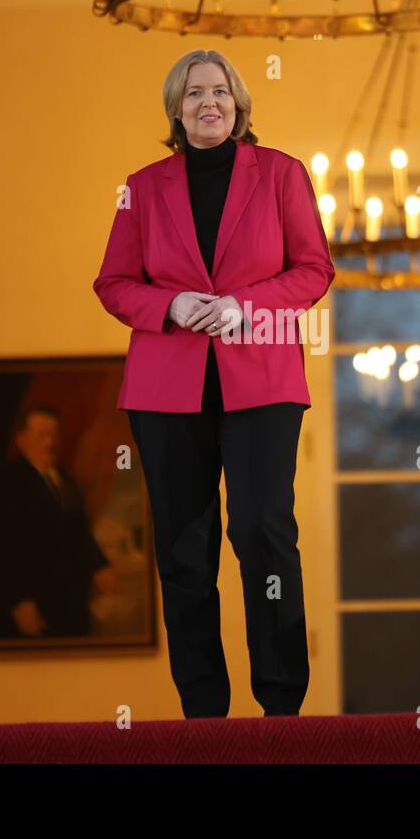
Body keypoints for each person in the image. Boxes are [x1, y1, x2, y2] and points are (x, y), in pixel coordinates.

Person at [92, 50, 335, 717]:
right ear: (176, 108)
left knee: (261, 531)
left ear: (239, 104)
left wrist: (245, 306)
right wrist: (166, 307)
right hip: (166, 387)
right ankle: (204, 714)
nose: (209, 103)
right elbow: (113, 283)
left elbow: (314, 270)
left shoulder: (283, 174)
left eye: (221, 92)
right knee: (183, 549)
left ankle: (281, 703)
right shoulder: (140, 188)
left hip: (262, 377)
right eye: (195, 93)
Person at [0, 405, 119, 639]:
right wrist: (18, 600)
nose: (50, 442)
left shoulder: (65, 480)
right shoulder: (3, 482)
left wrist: (100, 566)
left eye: (53, 434)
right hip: (25, 610)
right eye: (41, 435)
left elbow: (79, 535)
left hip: (67, 608)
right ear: (21, 441)